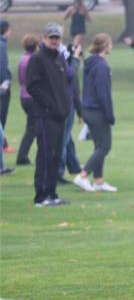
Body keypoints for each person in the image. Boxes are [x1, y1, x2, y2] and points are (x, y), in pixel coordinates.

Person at [26, 23, 71, 207]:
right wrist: (50, 105)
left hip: (60, 116)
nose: (54, 41)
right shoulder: (37, 59)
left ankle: (52, 194)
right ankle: (41, 196)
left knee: (56, 155)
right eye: (51, 37)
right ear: (44, 38)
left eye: (57, 37)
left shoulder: (59, 58)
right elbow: (32, 86)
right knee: (45, 154)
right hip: (45, 115)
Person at [73, 34, 117, 192]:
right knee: (105, 146)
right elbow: (103, 94)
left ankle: (99, 181)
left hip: (88, 110)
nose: (111, 46)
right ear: (105, 46)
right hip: (97, 111)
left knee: (99, 146)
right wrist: (110, 115)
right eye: (110, 43)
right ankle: (83, 175)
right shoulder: (101, 67)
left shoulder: (91, 63)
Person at [57, 42, 83, 183]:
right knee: (63, 140)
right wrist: (76, 58)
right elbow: (75, 91)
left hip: (67, 106)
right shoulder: (67, 69)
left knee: (67, 140)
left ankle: (73, 166)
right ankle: (58, 173)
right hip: (66, 107)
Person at [16, 34, 40, 165]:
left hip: (23, 96)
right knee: (33, 128)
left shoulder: (22, 59)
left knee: (32, 126)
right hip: (32, 98)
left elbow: (21, 79)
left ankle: (23, 156)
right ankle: (22, 157)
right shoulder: (33, 60)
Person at [0, 19, 14, 153]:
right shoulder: (2, 45)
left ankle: (3, 143)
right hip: (2, 88)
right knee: (1, 116)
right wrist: (5, 84)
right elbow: (2, 66)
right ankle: (2, 145)